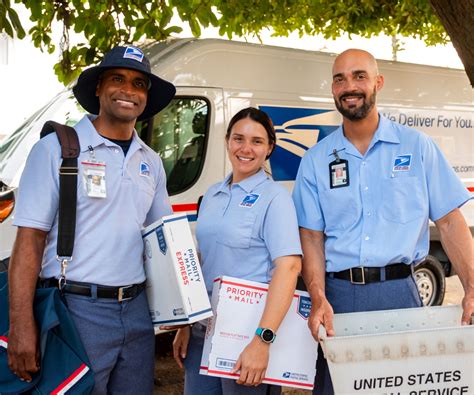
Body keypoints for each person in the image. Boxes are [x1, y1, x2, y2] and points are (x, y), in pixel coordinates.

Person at [292, 49, 474, 394]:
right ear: (332, 89)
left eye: (359, 76)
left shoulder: (417, 146)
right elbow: (311, 238)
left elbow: (450, 222)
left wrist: (472, 287)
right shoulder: (316, 161)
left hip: (400, 294)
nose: (350, 86)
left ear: (378, 82)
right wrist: (318, 296)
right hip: (338, 300)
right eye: (340, 78)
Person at [7, 45, 176, 394]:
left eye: (139, 84)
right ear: (98, 88)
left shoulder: (151, 161)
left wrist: (184, 312)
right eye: (118, 79)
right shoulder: (56, 150)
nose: (128, 90)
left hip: (136, 311)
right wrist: (21, 325)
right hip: (76, 309)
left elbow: (165, 241)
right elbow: (30, 239)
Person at [169, 107, 302, 394]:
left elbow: (289, 268)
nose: (246, 148)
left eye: (257, 141)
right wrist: (185, 325)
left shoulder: (275, 199)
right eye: (238, 139)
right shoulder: (213, 195)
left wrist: (262, 340)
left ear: (269, 148)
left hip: (246, 338)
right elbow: (203, 264)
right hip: (202, 334)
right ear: (227, 141)